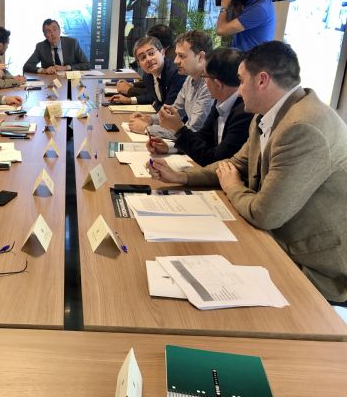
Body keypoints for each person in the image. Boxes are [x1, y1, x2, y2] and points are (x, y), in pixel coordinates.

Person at [148, 41, 347, 304]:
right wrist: (183, 177)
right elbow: (235, 164)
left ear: (262, 80)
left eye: (241, 81)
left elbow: (264, 213)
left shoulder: (302, 127)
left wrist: (232, 186)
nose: (239, 90)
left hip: (314, 265)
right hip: (276, 240)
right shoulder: (268, 114)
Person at [147, 47, 253, 166]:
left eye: (204, 77)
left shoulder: (244, 113)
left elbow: (215, 159)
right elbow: (203, 138)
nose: (204, 82)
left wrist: (179, 129)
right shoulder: (220, 102)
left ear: (218, 84)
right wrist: (170, 147)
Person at [129, 30, 215, 139]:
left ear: (201, 57)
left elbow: (192, 130)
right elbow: (174, 110)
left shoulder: (209, 86)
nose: (176, 61)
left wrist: (148, 129)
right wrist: (150, 119)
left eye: (181, 56)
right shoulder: (190, 78)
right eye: (176, 55)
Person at [110, 36, 185, 108]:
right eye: (143, 57)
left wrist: (149, 117)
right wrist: (130, 100)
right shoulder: (147, 76)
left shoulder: (176, 73)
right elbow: (152, 97)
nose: (148, 59)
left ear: (162, 53)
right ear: (139, 64)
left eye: (151, 53)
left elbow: (169, 108)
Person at [23, 18, 90, 74]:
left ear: (59, 31)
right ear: (45, 35)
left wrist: (66, 67)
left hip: (70, 81)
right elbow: (27, 66)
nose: (52, 34)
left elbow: (86, 64)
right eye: (48, 31)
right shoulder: (41, 47)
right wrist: (44, 70)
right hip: (50, 81)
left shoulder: (72, 43)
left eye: (55, 29)